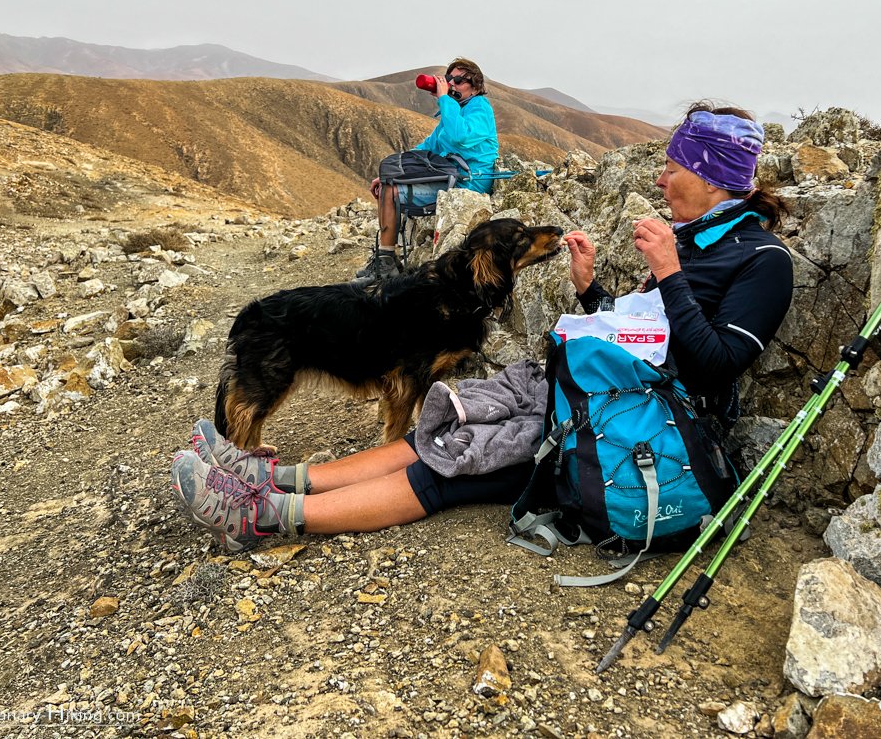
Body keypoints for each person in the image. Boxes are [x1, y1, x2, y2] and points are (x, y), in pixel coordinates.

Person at [169, 102, 794, 551]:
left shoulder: (763, 261)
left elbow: (713, 366)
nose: (660, 179)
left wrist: (669, 273)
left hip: (635, 428)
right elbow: (644, 335)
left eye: (673, 167)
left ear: (711, 176)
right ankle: (268, 476)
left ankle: (265, 515)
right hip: (587, 389)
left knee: (456, 461)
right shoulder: (696, 242)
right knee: (446, 419)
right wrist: (591, 290)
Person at [354, 57, 499, 282]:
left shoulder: (480, 107)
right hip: (449, 175)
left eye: (459, 80)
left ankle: (386, 264)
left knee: (391, 192)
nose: (452, 84)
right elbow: (428, 146)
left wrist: (444, 99)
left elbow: (460, 137)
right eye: (450, 79)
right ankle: (387, 258)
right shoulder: (457, 109)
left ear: (476, 87)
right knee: (387, 185)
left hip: (469, 182)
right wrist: (390, 175)